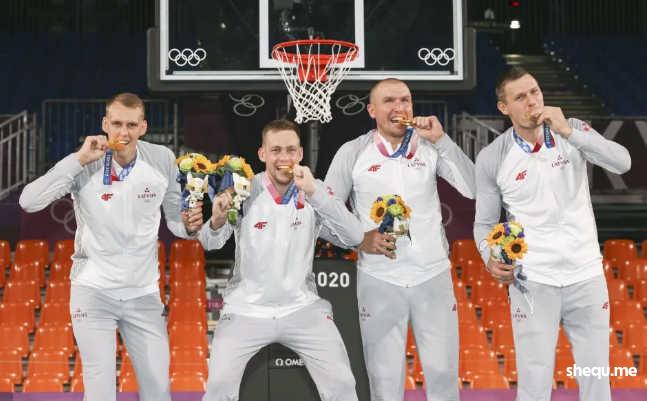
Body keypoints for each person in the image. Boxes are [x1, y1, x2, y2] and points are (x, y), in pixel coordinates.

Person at [19, 93, 202, 401]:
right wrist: (78, 160)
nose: (123, 132)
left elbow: (176, 222)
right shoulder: (86, 161)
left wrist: (190, 224)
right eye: (116, 124)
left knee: (158, 390)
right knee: (100, 391)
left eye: (131, 125)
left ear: (143, 127)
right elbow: (28, 201)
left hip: (143, 293)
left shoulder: (162, 159)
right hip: (93, 292)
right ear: (105, 124)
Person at [473, 66, 631, 401]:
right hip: (533, 282)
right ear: (504, 107)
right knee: (534, 384)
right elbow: (484, 223)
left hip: (585, 275)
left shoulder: (572, 129)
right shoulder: (492, 157)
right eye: (520, 97)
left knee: (596, 378)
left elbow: (623, 162)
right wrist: (488, 256)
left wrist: (570, 133)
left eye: (534, 91)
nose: (532, 101)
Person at [324, 78, 475, 401]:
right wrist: (358, 239)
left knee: (443, 376)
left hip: (432, 274)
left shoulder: (430, 146)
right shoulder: (353, 152)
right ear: (372, 110)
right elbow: (325, 214)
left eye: (405, 100)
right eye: (389, 100)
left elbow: (474, 188)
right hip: (379, 278)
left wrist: (443, 140)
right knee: (384, 382)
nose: (399, 107)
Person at [196, 119, 361, 401]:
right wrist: (218, 219)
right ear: (262, 154)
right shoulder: (243, 189)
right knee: (218, 388)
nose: (283, 158)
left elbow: (354, 236)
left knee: (343, 384)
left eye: (290, 150)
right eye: (275, 150)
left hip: (303, 309)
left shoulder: (315, 190)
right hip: (246, 309)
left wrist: (315, 192)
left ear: (300, 154)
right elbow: (210, 242)